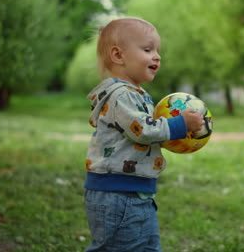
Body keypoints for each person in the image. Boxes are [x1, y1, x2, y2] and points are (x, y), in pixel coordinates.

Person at [83, 17, 204, 252]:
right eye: (148, 49)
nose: (157, 56)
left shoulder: (135, 93)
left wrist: (180, 133)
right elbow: (144, 130)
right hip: (118, 194)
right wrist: (179, 124)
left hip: (134, 192)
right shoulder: (121, 95)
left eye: (157, 50)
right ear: (118, 56)